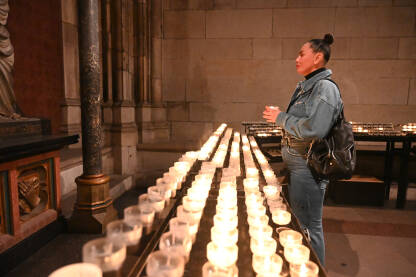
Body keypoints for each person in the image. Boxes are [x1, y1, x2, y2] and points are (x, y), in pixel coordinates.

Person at [263, 33, 342, 266]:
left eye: (301, 54)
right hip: (299, 167)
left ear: (317, 57)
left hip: (309, 169)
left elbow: (315, 129)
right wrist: (282, 117)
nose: (296, 58)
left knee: (309, 225)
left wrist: (281, 118)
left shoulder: (324, 88)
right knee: (302, 222)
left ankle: (314, 269)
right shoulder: (308, 87)